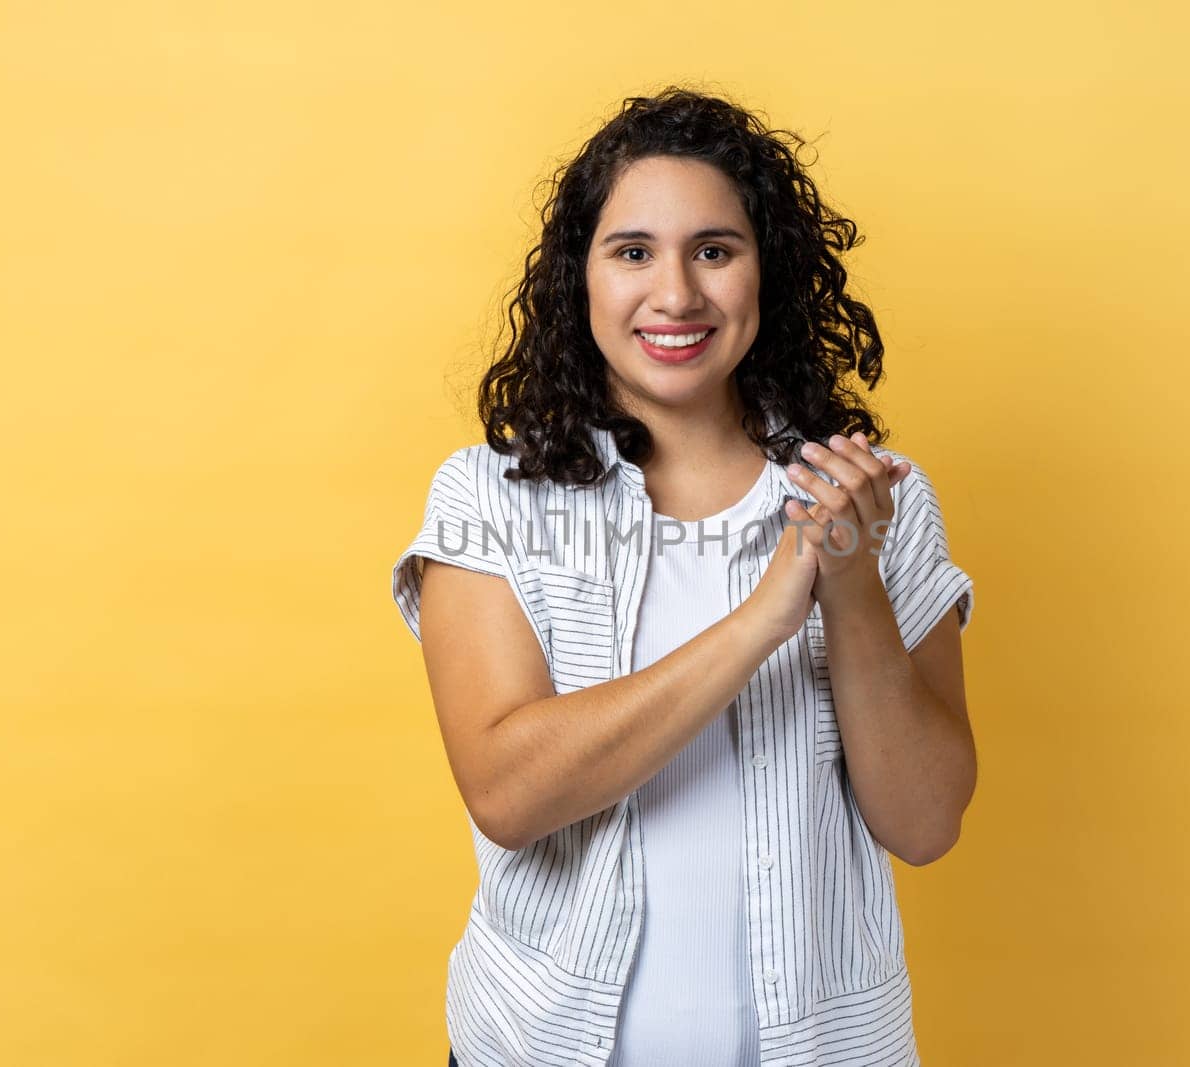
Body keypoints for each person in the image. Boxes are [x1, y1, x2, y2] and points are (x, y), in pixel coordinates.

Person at [392, 86, 976, 1067]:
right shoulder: (492, 495)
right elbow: (508, 789)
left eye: (714, 248)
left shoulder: (877, 501)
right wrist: (762, 617)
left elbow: (923, 823)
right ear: (579, 278)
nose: (675, 293)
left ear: (766, 272)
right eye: (632, 251)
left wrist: (850, 580)